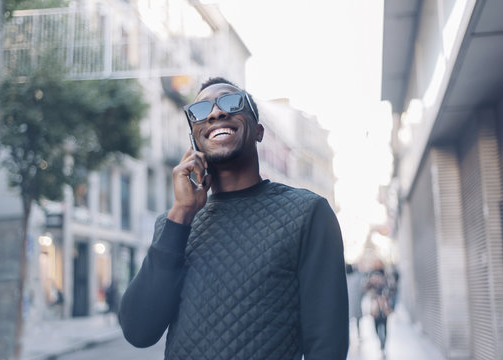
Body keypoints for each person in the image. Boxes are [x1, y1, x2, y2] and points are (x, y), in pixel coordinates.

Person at [119, 77, 349, 359]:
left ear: (258, 131)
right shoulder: (175, 225)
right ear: (194, 138)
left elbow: (327, 345)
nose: (216, 113)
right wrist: (180, 215)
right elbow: (139, 331)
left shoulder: (308, 213)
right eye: (201, 110)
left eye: (231, 102)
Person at [365, 260, 392, 352]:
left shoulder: (386, 275)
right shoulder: (371, 275)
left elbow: (391, 287)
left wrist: (386, 294)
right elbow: (366, 288)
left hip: (384, 303)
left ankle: (384, 342)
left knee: (385, 323)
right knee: (375, 324)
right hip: (375, 304)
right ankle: (380, 340)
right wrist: (372, 282)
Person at [346, 263, 364, 341]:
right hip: (356, 301)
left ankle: (348, 336)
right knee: (357, 320)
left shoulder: (345, 279)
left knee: (348, 320)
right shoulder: (357, 278)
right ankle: (358, 334)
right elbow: (362, 290)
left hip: (348, 303)